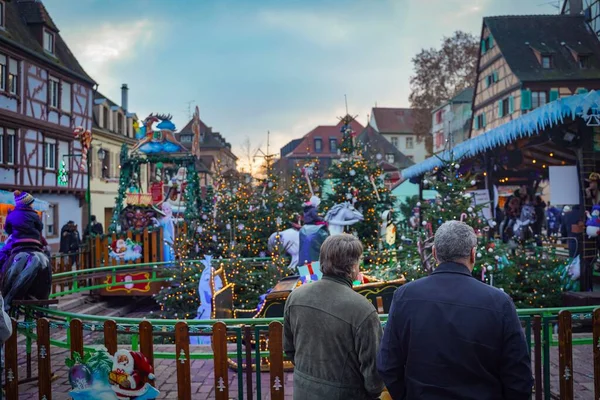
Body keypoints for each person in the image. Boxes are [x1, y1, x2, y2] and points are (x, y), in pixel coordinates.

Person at [377, 221, 532, 399]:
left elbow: (387, 364)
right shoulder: (499, 302)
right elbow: (519, 376)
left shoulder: (404, 296)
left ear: (434, 253)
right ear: (473, 254)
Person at [283, 234, 384, 400]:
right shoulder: (363, 309)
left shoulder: (296, 297)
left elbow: (289, 349)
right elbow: (374, 380)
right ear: (352, 266)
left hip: (303, 391)